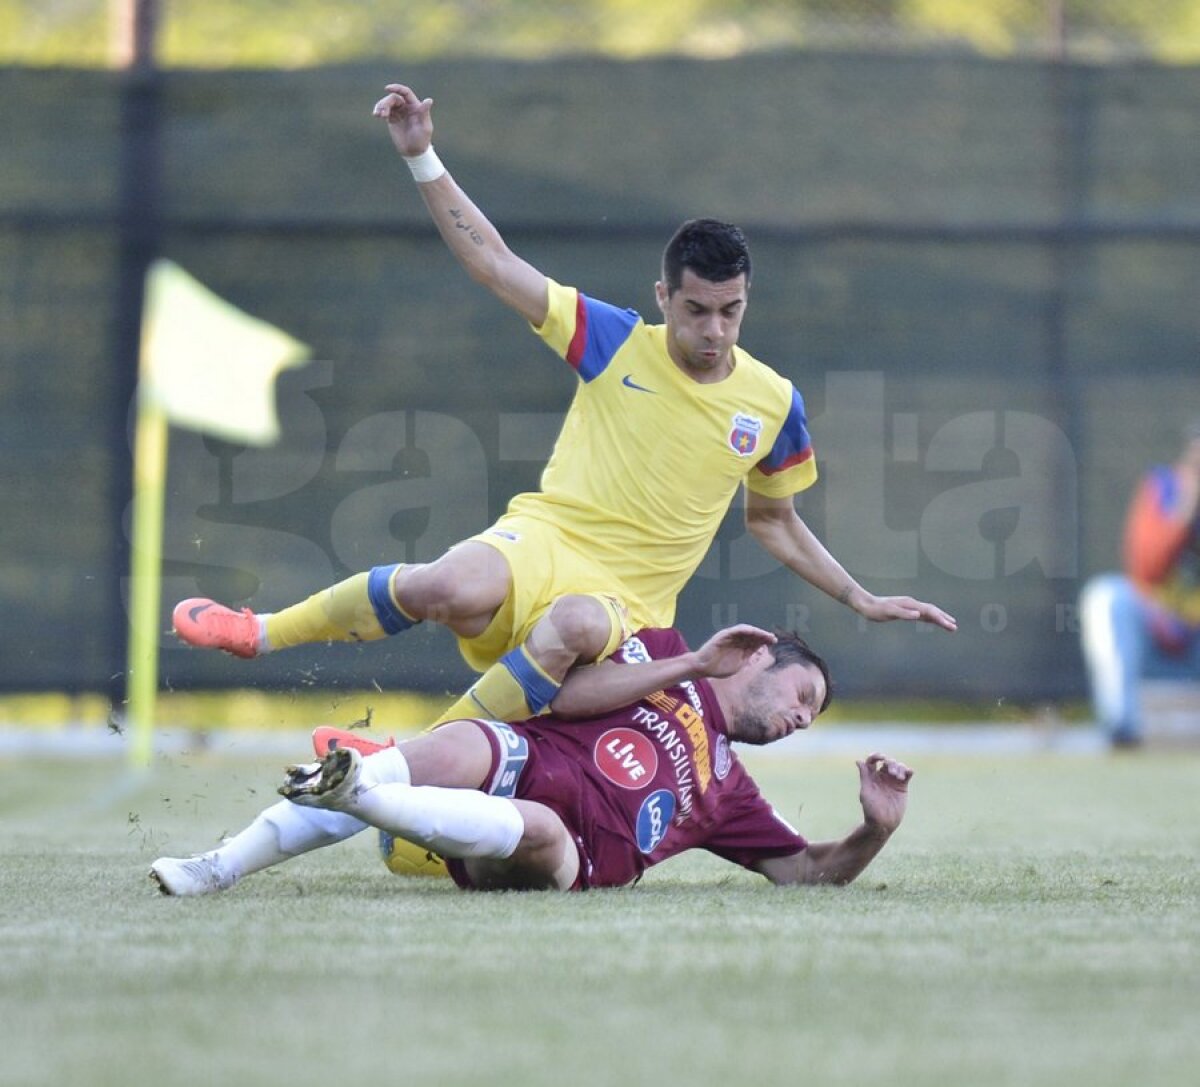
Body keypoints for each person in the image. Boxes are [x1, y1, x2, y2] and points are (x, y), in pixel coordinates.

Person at [172, 79, 956, 734]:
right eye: (696, 310)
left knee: (575, 628)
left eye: (731, 310)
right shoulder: (615, 341)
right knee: (448, 586)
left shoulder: (775, 402)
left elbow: (772, 520)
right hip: (549, 535)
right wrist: (420, 155)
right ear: (663, 298)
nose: (713, 330)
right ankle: (259, 631)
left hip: (627, 602)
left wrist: (860, 596)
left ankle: (420, 754)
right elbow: (495, 265)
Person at [150, 625, 913, 895]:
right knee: (465, 741)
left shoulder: (732, 792)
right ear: (760, 654)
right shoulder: (669, 651)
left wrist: (873, 831)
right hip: (525, 754)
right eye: (803, 695)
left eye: (811, 718)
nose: (800, 720)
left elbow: (806, 872)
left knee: (542, 827)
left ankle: (359, 789)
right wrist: (685, 670)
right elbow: (572, 693)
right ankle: (218, 865)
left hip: (568, 853)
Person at [1079, 419, 1200, 747]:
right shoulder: (1164, 487)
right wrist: (1185, 511)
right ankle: (1123, 730)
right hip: (1161, 638)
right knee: (1106, 596)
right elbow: (1146, 566)